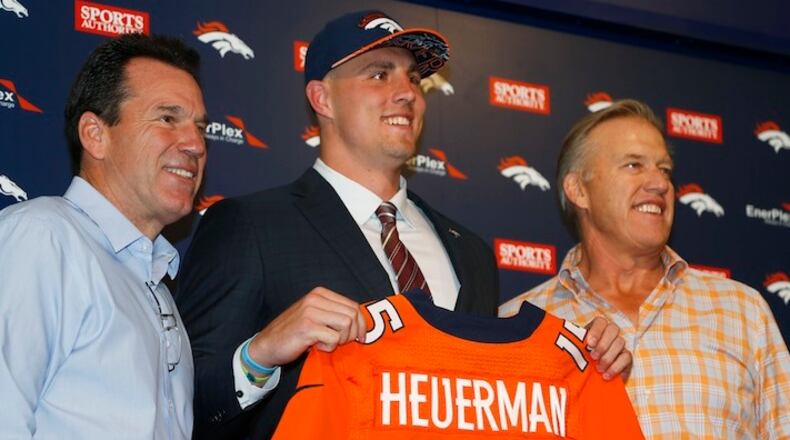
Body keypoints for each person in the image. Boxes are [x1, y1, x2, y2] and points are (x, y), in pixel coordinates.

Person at [176, 10, 629, 439]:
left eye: (414, 78)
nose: (408, 93)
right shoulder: (250, 225)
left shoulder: (470, 252)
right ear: (322, 97)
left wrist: (591, 356)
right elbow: (181, 402)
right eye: (379, 74)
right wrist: (260, 355)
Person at [499, 99, 790, 438]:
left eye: (664, 169)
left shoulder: (743, 312)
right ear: (579, 190)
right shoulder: (517, 325)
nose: (660, 184)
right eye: (634, 165)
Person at [0, 34, 207, 439]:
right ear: (95, 134)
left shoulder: (155, 283)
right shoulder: (43, 239)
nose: (195, 144)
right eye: (167, 119)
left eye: (200, 127)